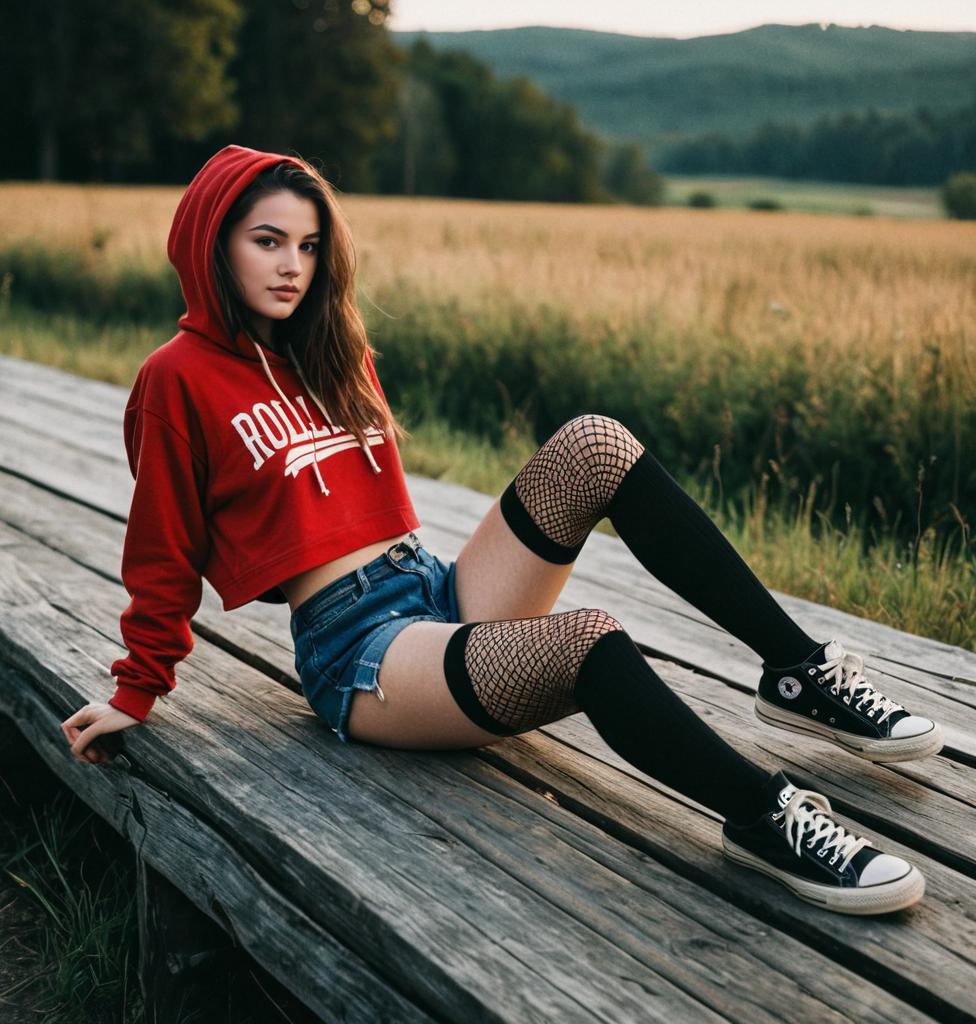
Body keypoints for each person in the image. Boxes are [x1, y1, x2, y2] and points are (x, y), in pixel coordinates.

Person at [61, 144, 942, 916]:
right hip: (359, 648)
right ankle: (764, 816)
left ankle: (797, 672)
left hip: (435, 588)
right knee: (589, 638)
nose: (293, 265)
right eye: (268, 242)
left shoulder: (331, 349)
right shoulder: (175, 380)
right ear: (212, 239)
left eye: (309, 245)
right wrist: (136, 691)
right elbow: (162, 552)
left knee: (596, 441)